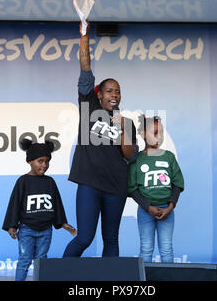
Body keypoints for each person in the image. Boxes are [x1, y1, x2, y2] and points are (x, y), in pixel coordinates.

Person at [63, 21, 138, 257]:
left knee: (111, 240)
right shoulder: (88, 107)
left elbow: (131, 154)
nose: (114, 94)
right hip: (90, 184)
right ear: (98, 94)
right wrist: (84, 33)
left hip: (116, 186)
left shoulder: (127, 122)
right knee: (84, 237)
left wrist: (123, 128)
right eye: (109, 90)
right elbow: (85, 67)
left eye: (117, 91)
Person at [3, 139, 76, 281]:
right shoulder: (22, 181)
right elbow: (15, 204)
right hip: (26, 230)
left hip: (46, 230)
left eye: (47, 161)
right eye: (40, 161)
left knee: (41, 262)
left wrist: (63, 223)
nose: (44, 165)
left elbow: (57, 204)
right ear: (30, 161)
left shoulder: (50, 182)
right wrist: (12, 225)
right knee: (24, 260)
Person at [128, 116, 184, 263]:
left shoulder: (169, 157)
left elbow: (177, 184)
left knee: (166, 249)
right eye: (155, 133)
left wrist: (170, 207)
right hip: (146, 212)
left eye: (162, 133)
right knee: (146, 249)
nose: (159, 137)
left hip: (167, 210)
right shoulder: (137, 159)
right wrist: (148, 207)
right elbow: (132, 188)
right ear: (142, 134)